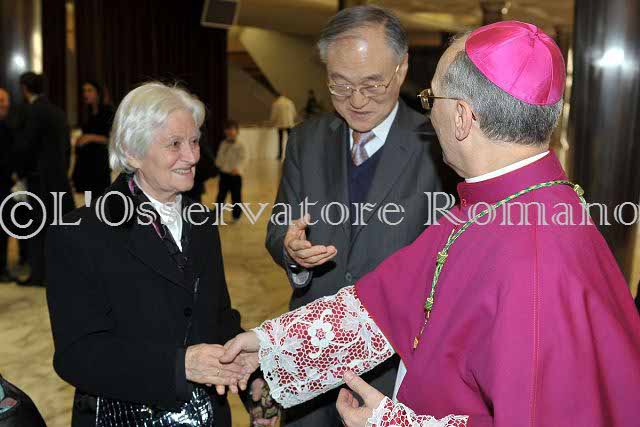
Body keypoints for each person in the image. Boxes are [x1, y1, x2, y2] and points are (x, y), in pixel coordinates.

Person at [223, 21, 640, 427]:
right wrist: (270, 347)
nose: (428, 114)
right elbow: (390, 300)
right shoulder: (498, 201)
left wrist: (390, 422)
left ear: (461, 116)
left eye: (431, 98)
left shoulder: (533, 257)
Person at [264, 6, 441, 426]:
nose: (357, 101)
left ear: (401, 69)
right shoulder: (306, 140)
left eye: (372, 84)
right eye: (340, 85)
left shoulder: (437, 146)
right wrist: (292, 252)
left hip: (394, 360)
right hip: (311, 355)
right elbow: (279, 227)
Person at [46, 82, 256, 426]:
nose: (192, 156)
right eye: (175, 144)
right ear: (132, 152)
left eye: (194, 141)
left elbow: (216, 317)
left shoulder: (201, 220)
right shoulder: (81, 232)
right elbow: (77, 355)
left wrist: (253, 383)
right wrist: (179, 365)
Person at [14, 72, 74, 287]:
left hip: (39, 179)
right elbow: (67, 147)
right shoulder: (58, 112)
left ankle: (39, 274)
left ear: (24, 88)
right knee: (58, 227)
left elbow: (26, 146)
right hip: (58, 178)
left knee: (38, 228)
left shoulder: (32, 111)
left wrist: (19, 172)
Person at [72, 80, 115, 196]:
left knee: (99, 198)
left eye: (89, 90)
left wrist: (90, 137)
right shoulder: (88, 112)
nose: (85, 94)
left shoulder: (108, 112)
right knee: (88, 199)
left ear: (98, 93)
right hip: (86, 162)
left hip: (99, 162)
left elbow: (112, 138)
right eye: (84, 91)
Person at [215, 119, 247, 222]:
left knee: (236, 196)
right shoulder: (223, 143)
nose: (230, 131)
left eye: (232, 129)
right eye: (227, 129)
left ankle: (236, 215)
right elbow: (220, 156)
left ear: (237, 131)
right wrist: (218, 166)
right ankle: (217, 213)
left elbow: (244, 158)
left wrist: (238, 168)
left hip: (235, 175)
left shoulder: (241, 144)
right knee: (221, 195)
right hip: (224, 173)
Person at [270, 94, 296, 159]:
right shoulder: (289, 102)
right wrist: (292, 119)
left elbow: (274, 115)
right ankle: (292, 154)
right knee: (290, 140)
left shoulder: (276, 104)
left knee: (280, 140)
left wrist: (272, 122)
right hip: (289, 123)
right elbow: (294, 113)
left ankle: (280, 155)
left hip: (280, 123)